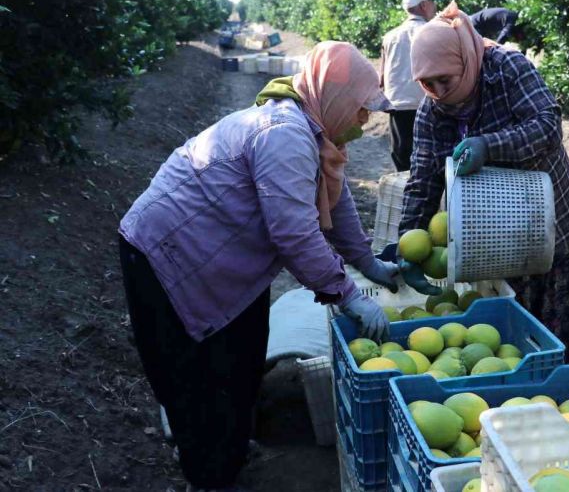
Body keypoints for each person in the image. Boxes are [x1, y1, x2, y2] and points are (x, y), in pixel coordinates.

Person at [118, 41, 398, 491]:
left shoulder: (317, 137)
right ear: (335, 97)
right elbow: (293, 232)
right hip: (168, 251)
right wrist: (346, 295)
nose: (365, 123)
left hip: (223, 257)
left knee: (241, 357)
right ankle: (208, 476)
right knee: (195, 372)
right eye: (361, 110)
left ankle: (228, 447)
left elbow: (337, 201)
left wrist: (368, 263)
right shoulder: (284, 132)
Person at [398, 3, 569, 364]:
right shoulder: (432, 111)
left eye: (445, 79)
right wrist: (410, 239)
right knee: (510, 336)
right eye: (428, 83)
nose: (438, 90)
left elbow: (547, 126)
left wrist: (490, 145)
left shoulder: (506, 69)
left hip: (547, 216)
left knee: (555, 325)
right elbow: (423, 177)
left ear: (463, 61)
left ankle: (560, 388)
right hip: (494, 234)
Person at [380, 0, 442, 171]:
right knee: (429, 156)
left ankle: (405, 194)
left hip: (397, 105)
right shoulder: (433, 31)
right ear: (423, 5)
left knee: (402, 158)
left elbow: (382, 77)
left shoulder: (390, 36)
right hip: (427, 104)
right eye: (432, 2)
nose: (435, 6)